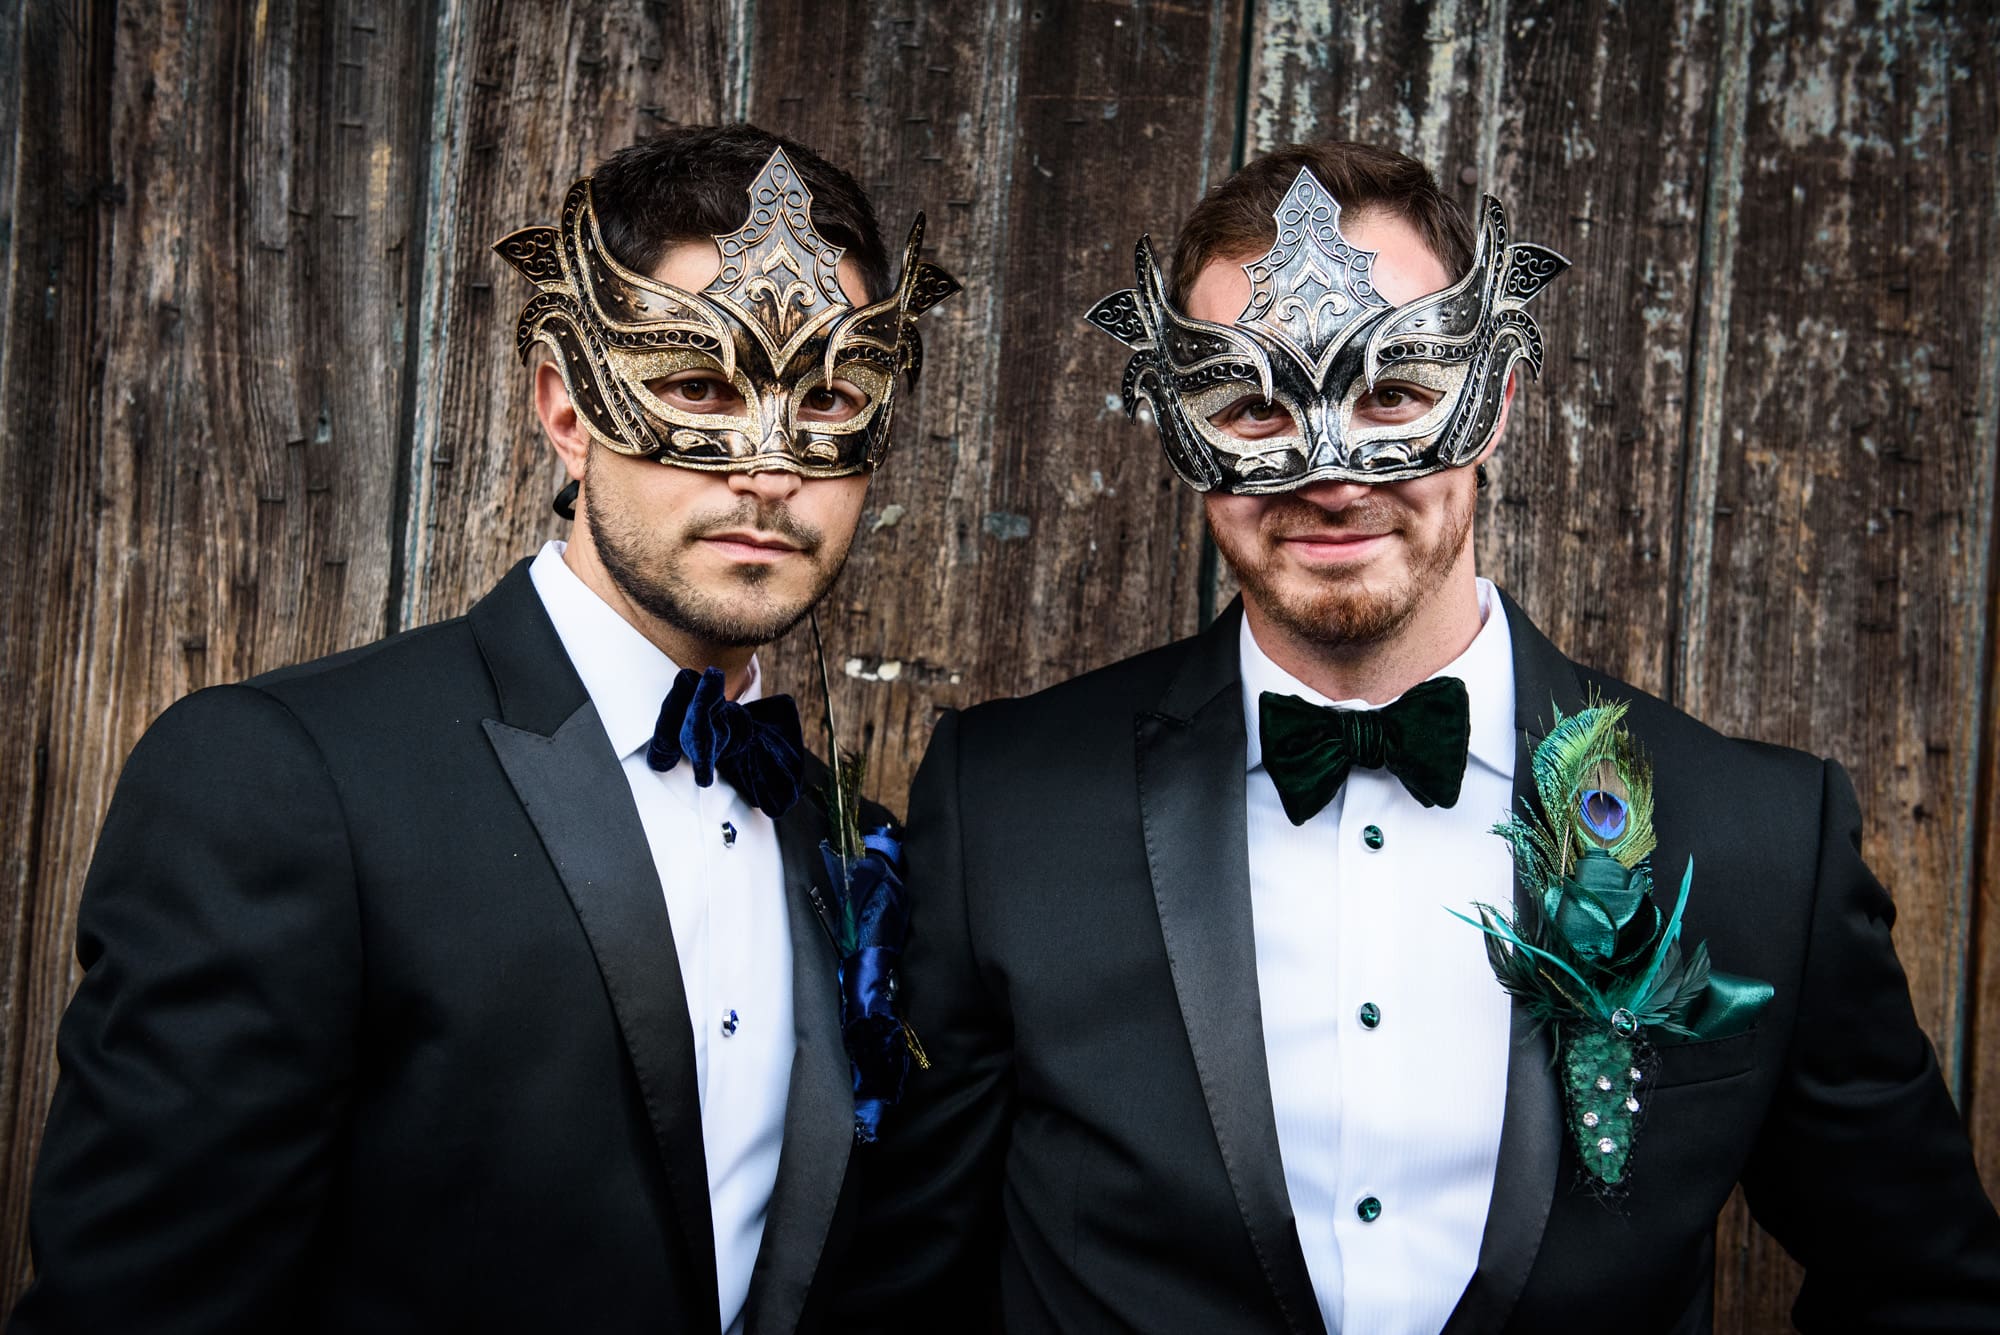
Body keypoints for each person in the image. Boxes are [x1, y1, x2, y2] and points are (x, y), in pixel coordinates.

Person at [844, 141, 2000, 1333]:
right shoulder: (1005, 808)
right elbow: (900, 1285)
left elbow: (1925, 1288)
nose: (1330, 473)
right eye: (1253, 404)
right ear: (1178, 424)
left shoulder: (1759, 837)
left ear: (1492, 396)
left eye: (1391, 391)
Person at [13, 123, 955, 1335]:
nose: (768, 469)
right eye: (696, 385)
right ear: (566, 409)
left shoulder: (850, 850)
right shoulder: (286, 778)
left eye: (827, 399)